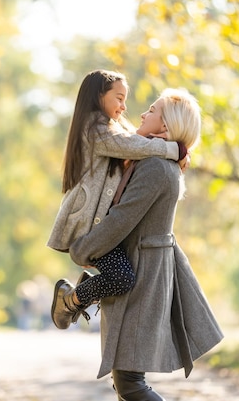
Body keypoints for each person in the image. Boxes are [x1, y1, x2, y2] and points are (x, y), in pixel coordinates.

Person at [69, 88, 223, 401]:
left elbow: (120, 220)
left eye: (151, 110)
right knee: (125, 381)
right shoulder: (153, 160)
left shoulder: (155, 167)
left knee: (130, 382)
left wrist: (81, 248)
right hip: (140, 270)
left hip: (143, 277)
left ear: (165, 127)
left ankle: (72, 300)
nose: (141, 114)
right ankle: (73, 300)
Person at [47, 70, 188, 329]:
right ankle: (69, 299)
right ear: (99, 96)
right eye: (119, 98)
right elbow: (134, 146)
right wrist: (173, 148)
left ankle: (79, 292)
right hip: (90, 226)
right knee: (122, 278)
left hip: (103, 225)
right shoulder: (94, 129)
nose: (124, 107)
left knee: (120, 277)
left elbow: (136, 141)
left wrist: (160, 140)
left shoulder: (115, 127)